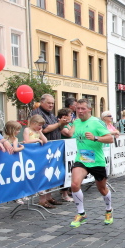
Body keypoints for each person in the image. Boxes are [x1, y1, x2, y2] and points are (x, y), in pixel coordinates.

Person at [66, 99, 115, 227]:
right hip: (82, 158)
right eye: (78, 108)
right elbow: (70, 134)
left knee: (102, 189)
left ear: (89, 109)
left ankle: (109, 210)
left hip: (96, 160)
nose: (80, 111)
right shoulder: (76, 122)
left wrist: (95, 138)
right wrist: (62, 126)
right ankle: (81, 213)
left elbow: (110, 138)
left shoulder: (96, 122)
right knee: (75, 184)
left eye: (83, 108)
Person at [30, 94, 71, 207]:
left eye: (53, 103)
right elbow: (45, 129)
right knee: (44, 173)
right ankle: (42, 199)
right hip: (43, 148)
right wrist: (59, 123)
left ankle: (49, 197)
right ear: (42, 102)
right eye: (49, 103)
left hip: (54, 147)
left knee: (51, 173)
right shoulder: (37, 113)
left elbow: (58, 128)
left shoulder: (51, 114)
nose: (51, 105)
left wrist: (62, 124)